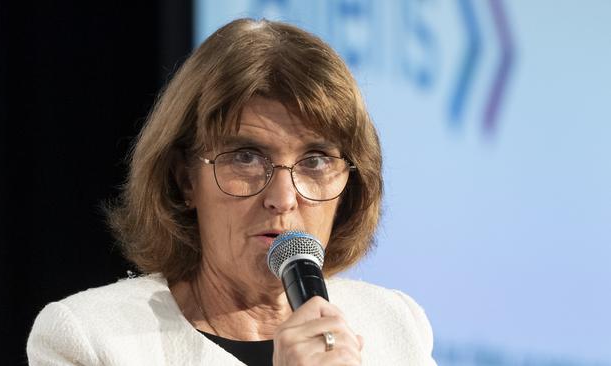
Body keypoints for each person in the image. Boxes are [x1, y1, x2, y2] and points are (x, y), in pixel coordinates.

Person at [27, 18, 436, 365]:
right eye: (246, 158)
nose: (283, 198)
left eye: (314, 161)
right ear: (185, 179)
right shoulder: (89, 339)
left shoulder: (393, 326)